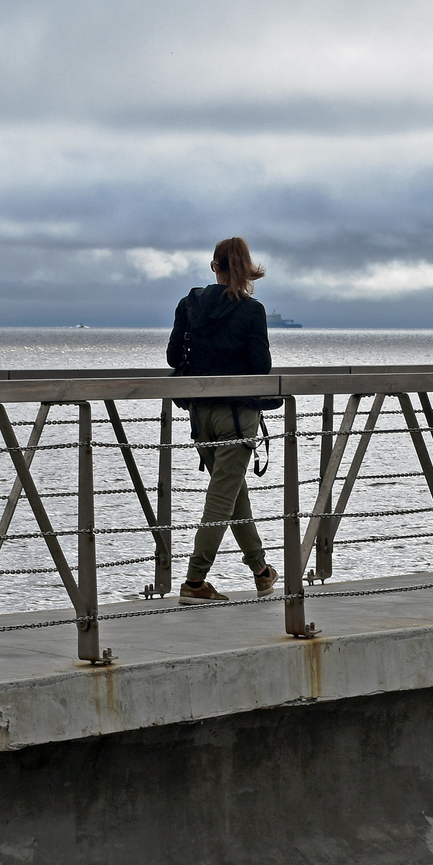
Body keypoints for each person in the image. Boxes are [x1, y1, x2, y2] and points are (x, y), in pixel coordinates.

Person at [166, 237, 278, 603]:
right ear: (247, 270)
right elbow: (261, 368)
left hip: (200, 415)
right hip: (238, 416)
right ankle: (195, 582)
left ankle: (261, 571)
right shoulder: (252, 310)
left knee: (231, 493)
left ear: (214, 266)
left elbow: (173, 356)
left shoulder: (190, 304)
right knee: (221, 499)